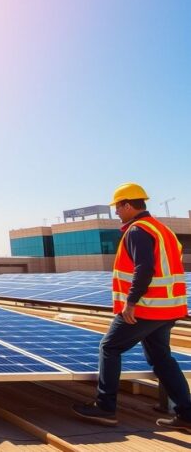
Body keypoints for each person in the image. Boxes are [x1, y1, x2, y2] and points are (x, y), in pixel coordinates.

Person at [72, 183, 191, 430]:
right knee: (162, 358)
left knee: (109, 347)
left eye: (117, 206)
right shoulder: (162, 230)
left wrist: (131, 302)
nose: (116, 211)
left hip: (147, 307)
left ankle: (105, 407)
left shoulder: (138, 230)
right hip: (169, 308)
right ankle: (187, 414)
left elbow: (144, 268)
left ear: (128, 205)